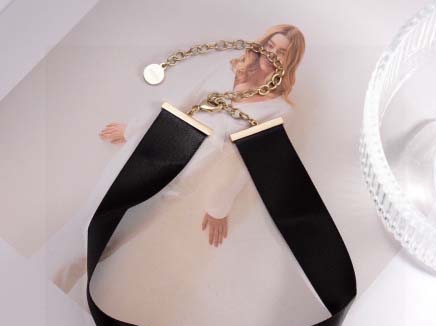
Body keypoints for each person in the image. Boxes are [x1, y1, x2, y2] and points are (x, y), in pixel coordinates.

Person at [36, 24, 306, 296]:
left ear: (290, 61)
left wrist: (218, 207)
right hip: (149, 150)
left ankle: (44, 284)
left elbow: (244, 164)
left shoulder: (279, 110)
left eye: (282, 52)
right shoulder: (229, 70)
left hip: (183, 178)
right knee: (86, 220)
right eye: (270, 45)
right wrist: (132, 130)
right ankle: (40, 281)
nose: (272, 54)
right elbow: (179, 102)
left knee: (108, 241)